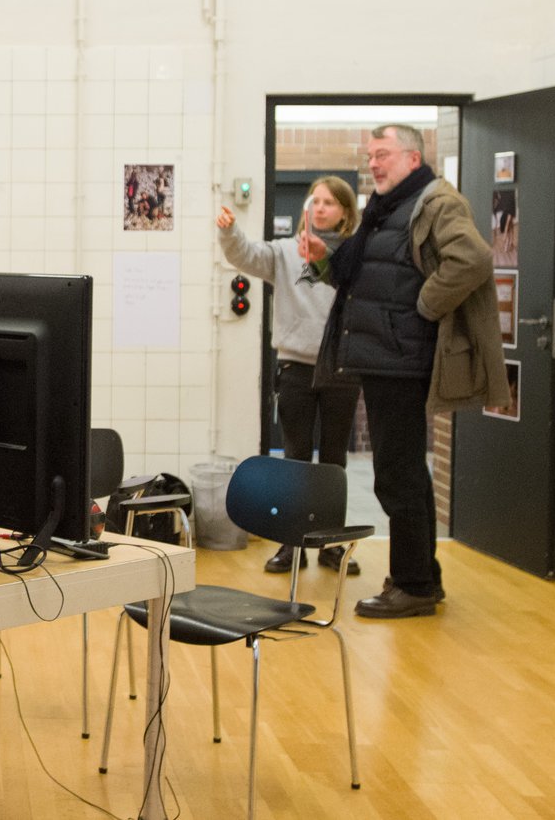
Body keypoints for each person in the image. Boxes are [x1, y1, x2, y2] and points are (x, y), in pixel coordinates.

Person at [302, 124, 507, 619]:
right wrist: (326, 261)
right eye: (370, 155)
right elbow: (370, 278)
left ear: (413, 158)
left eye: (384, 154)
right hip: (382, 356)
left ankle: (412, 584)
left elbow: (474, 258)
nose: (373, 163)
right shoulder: (385, 207)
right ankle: (422, 577)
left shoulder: (436, 202)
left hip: (401, 358)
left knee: (398, 474)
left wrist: (424, 305)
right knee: (400, 472)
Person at [216, 176, 363, 576]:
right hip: (295, 368)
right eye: (314, 201)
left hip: (341, 369)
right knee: (295, 459)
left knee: (333, 461)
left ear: (345, 213)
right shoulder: (284, 252)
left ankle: (331, 545)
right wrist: (229, 231)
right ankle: (290, 546)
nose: (318, 208)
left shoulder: (354, 255)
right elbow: (245, 255)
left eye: (329, 203)